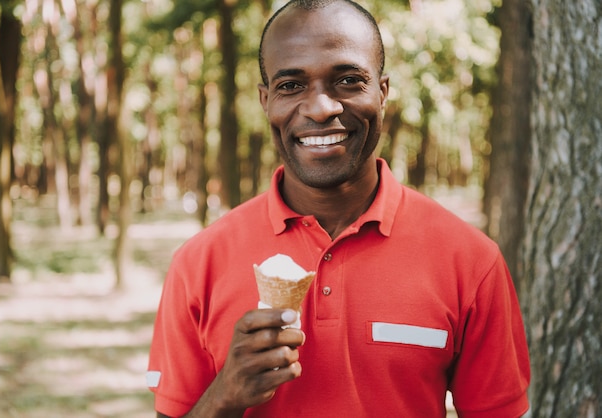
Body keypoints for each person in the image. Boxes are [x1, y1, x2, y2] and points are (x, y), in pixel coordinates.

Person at [146, 0, 531, 417]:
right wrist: (223, 396)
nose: (321, 107)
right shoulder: (198, 263)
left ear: (381, 93)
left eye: (348, 80)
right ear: (265, 100)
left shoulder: (470, 260)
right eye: (291, 85)